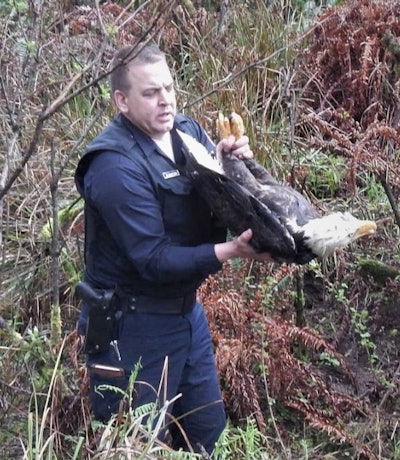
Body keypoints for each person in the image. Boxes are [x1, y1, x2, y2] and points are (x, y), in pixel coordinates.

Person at [74, 42, 271, 455]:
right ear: (122, 101)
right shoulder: (112, 166)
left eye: (168, 88)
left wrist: (229, 165)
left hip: (185, 316)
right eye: (150, 93)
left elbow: (210, 198)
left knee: (206, 436)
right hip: (131, 329)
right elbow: (153, 259)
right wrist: (230, 251)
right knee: (134, 446)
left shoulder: (187, 132)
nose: (164, 100)